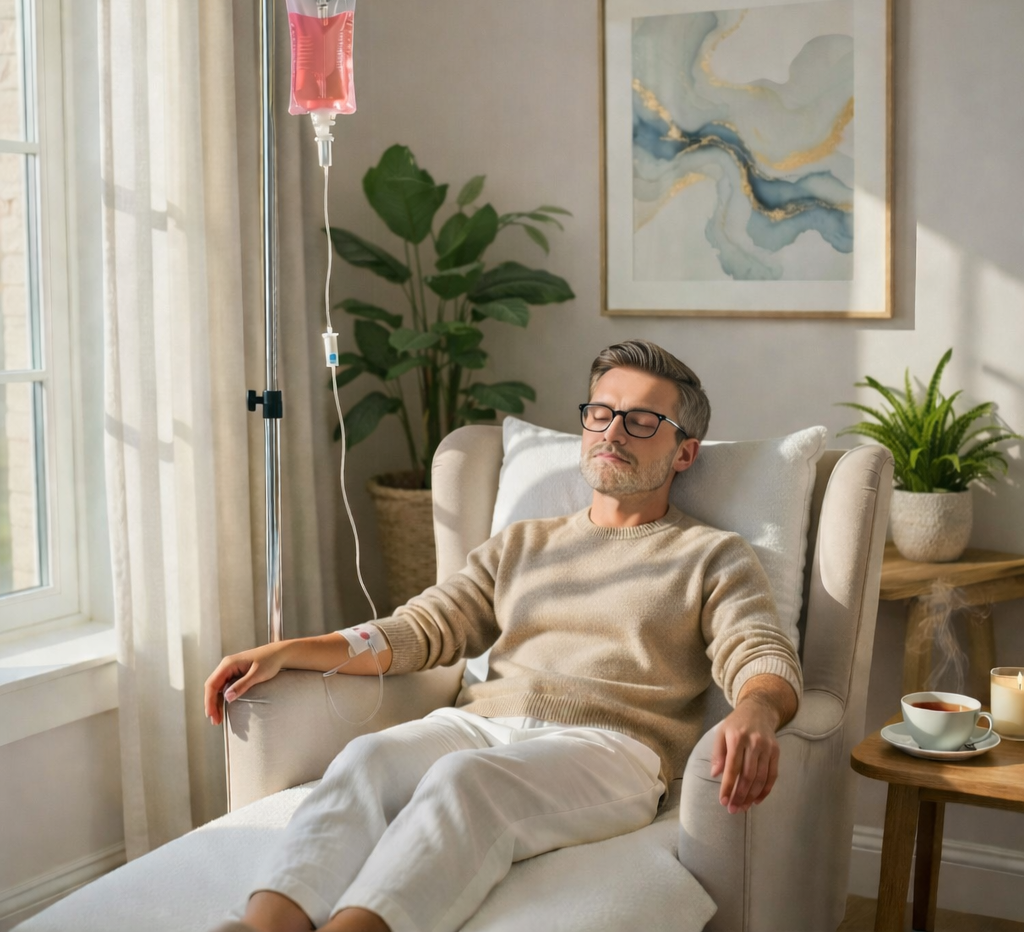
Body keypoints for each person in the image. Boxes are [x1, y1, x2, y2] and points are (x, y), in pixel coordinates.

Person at [205, 339, 802, 932]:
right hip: (481, 724)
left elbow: (759, 651)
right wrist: (288, 651)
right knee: (368, 758)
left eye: (642, 421)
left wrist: (756, 709)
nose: (613, 432)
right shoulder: (522, 543)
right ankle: (263, 925)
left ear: (684, 452)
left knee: (464, 780)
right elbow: (422, 628)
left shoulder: (712, 555)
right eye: (601, 412)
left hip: (612, 747)